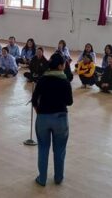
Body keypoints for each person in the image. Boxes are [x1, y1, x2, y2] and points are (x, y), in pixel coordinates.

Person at [31, 53, 73, 186]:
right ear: (60, 66)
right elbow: (69, 102)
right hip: (60, 118)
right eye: (64, 63)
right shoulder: (65, 81)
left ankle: (42, 179)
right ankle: (58, 178)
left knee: (43, 148)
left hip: (43, 117)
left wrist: (38, 110)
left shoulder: (43, 80)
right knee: (60, 149)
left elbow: (34, 100)